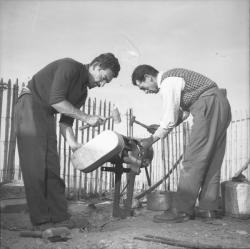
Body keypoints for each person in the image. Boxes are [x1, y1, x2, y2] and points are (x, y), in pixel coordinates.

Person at [14, 53, 120, 228]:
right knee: (35, 165)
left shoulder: (82, 93)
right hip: (30, 103)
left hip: (46, 114)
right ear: (96, 66)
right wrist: (87, 118)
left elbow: (65, 123)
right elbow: (56, 101)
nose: (101, 84)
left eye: (106, 82)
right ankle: (41, 220)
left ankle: (60, 217)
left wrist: (74, 145)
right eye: (103, 78)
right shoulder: (69, 67)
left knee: (52, 166)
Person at [131, 65, 231, 223]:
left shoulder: (167, 82)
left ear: (149, 77)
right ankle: (208, 208)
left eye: (143, 87)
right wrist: (161, 127)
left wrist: (150, 141)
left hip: (208, 104)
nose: (146, 92)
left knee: (193, 159)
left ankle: (182, 210)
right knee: (212, 159)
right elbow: (182, 113)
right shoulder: (176, 79)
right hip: (220, 102)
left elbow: (169, 118)